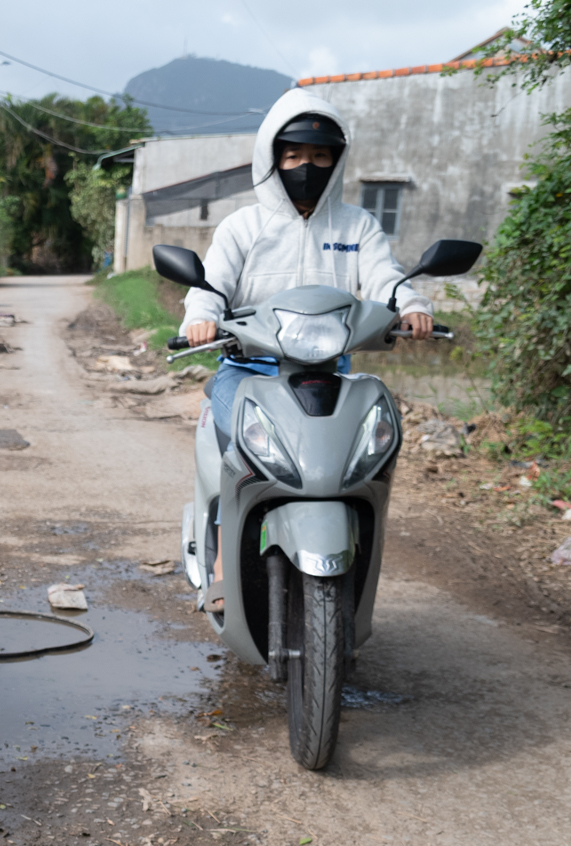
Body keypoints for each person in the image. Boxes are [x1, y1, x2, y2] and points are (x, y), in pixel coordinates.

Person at [178, 88, 431, 614]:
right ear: (273, 157)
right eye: (293, 155)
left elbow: (385, 277)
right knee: (240, 453)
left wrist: (410, 302)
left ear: (336, 160)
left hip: (330, 373)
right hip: (250, 371)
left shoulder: (357, 226)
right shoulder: (242, 227)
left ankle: (351, 553)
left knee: (368, 449)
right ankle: (226, 559)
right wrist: (201, 317)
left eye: (319, 156)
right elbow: (211, 284)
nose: (305, 166)